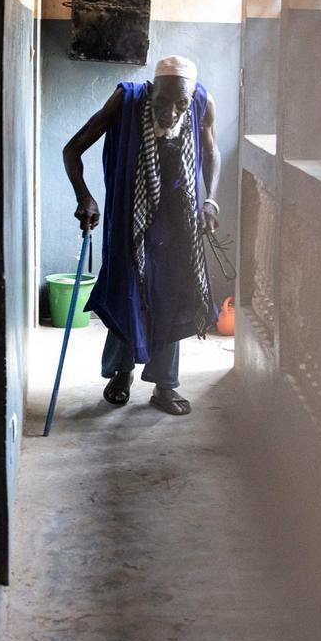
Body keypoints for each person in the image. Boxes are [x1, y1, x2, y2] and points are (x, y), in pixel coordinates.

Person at [62, 56, 221, 415]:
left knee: (173, 294)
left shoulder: (202, 103)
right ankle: (121, 373)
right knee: (127, 290)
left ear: (191, 97)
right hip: (129, 216)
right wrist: (84, 197)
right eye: (162, 101)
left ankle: (165, 386)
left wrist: (210, 200)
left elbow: (211, 152)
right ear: (152, 89)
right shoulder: (127, 99)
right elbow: (72, 149)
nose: (170, 111)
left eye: (180, 103)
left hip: (180, 220)